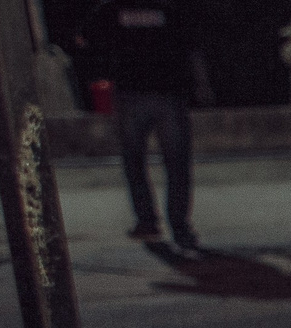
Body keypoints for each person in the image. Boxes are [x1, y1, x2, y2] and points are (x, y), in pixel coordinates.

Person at [75, 0, 200, 249]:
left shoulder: (114, 7)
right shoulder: (169, 7)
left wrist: (113, 54)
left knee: (134, 161)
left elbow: (83, 39)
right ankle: (180, 226)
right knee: (176, 163)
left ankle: (147, 221)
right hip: (169, 93)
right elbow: (192, 44)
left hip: (131, 92)